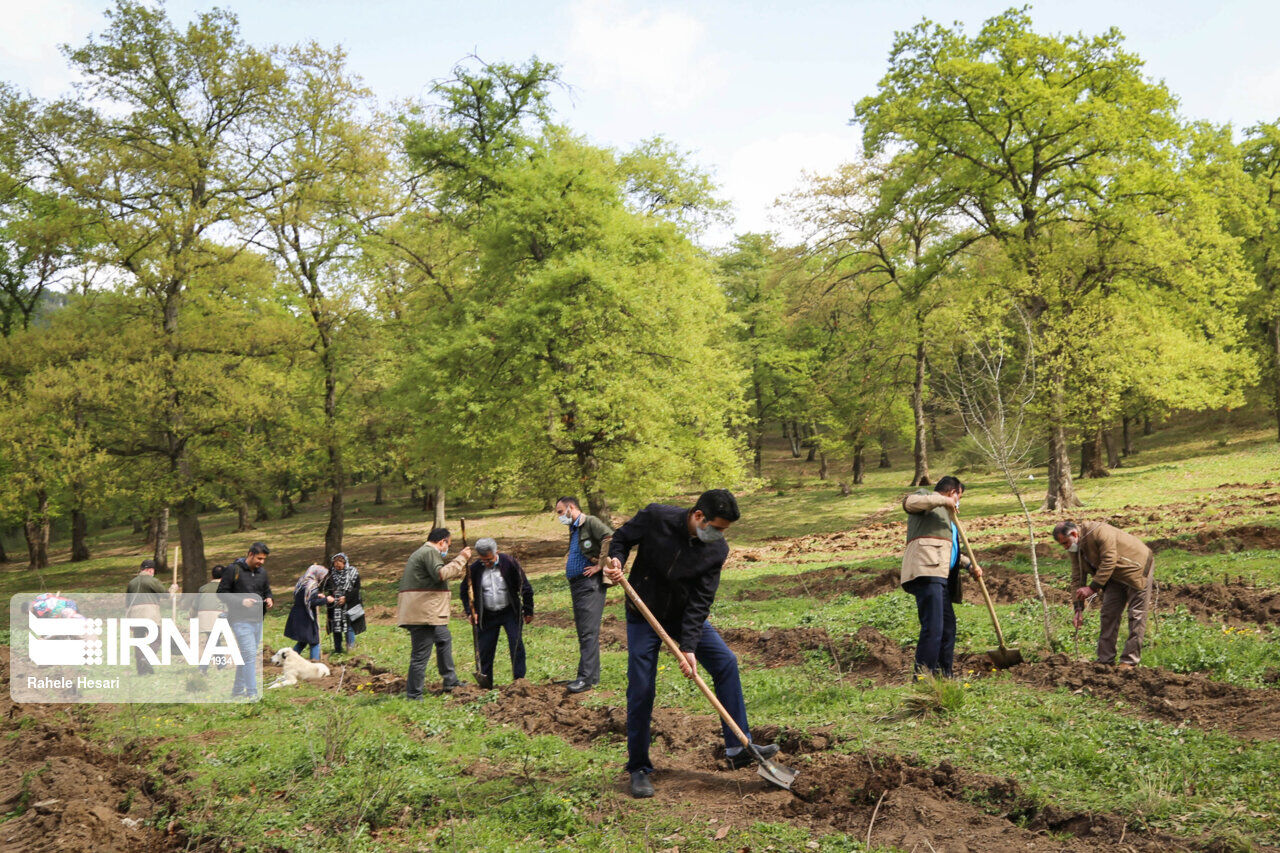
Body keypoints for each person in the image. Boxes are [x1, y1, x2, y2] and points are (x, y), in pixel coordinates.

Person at [603, 489, 778, 800]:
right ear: (699, 516)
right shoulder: (656, 517)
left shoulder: (716, 550)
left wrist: (689, 646)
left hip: (683, 616)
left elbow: (701, 601)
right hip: (643, 613)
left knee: (725, 662)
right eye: (718, 527)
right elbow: (622, 538)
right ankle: (639, 768)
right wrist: (616, 560)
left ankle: (738, 747)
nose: (721, 535)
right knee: (641, 686)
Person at [899, 476, 983, 680]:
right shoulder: (925, 498)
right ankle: (923, 678)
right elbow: (908, 502)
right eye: (958, 497)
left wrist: (969, 564)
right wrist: (945, 501)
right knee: (934, 627)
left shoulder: (949, 518)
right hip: (926, 570)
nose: (958, 502)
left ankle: (944, 675)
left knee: (947, 626)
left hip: (941, 576)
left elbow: (950, 550)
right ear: (953, 492)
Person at [1053, 520, 1155, 667]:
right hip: (1113, 574)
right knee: (1108, 613)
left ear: (1074, 534)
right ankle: (1105, 660)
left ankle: (1129, 661)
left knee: (1136, 615)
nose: (1065, 547)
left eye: (1065, 543)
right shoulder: (1075, 548)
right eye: (1062, 545)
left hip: (1136, 567)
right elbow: (1077, 577)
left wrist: (1092, 588)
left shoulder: (1099, 532)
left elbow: (1109, 560)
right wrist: (1078, 608)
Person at [398, 527, 472, 698]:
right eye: (448, 545)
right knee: (420, 655)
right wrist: (462, 559)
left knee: (443, 638)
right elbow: (441, 574)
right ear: (441, 542)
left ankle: (450, 681)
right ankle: (414, 695)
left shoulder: (422, 553)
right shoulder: (430, 552)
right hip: (423, 615)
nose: (448, 549)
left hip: (425, 612)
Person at [554, 496, 614, 693]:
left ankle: (585, 679)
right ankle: (592, 676)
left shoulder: (591, 522)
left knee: (588, 632)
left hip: (590, 584)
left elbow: (610, 538)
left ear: (571, 508)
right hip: (578, 585)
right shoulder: (575, 528)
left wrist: (600, 565)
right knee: (585, 632)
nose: (560, 517)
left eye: (561, 512)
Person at [461, 537, 534, 686]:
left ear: (497, 552)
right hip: (486, 615)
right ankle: (486, 683)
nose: (487, 563)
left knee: (516, 644)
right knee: (485, 649)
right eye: (483, 561)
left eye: (489, 560)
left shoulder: (509, 563)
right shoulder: (475, 569)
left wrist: (528, 610)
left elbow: (525, 587)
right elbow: (464, 591)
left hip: (509, 612)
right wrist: (470, 611)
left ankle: (519, 681)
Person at [218, 542, 275, 699]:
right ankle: (252, 694)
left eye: (264, 559)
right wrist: (241, 601)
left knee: (246, 656)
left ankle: (237, 691)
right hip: (239, 620)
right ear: (250, 554)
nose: (261, 562)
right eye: (259, 558)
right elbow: (221, 593)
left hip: (257, 620)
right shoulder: (233, 570)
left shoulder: (262, 573)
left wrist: (269, 598)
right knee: (250, 655)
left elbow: (267, 590)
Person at [125, 558, 167, 676]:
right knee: (157, 639)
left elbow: (127, 602)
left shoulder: (132, 582)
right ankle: (147, 659)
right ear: (150, 570)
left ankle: (141, 671)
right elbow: (165, 594)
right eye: (153, 570)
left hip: (134, 615)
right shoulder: (152, 581)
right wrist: (173, 589)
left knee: (139, 642)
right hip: (150, 614)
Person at [284, 564, 331, 661]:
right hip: (306, 616)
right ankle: (315, 662)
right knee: (314, 641)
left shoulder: (302, 582)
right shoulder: (312, 585)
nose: (323, 578)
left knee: (303, 640)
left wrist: (317, 595)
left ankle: (289, 658)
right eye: (323, 576)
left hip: (297, 614)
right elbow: (311, 602)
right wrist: (326, 599)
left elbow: (305, 597)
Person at [324, 553, 366, 654]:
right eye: (335, 564)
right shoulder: (330, 574)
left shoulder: (353, 572)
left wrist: (346, 598)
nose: (337, 566)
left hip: (349, 604)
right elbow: (327, 589)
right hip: (335, 605)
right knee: (336, 627)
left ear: (345, 563)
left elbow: (356, 589)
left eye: (340, 564)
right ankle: (337, 649)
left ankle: (350, 648)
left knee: (349, 626)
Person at [190, 564, 227, 674]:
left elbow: (195, 605)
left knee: (213, 640)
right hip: (217, 616)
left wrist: (191, 615)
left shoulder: (203, 588)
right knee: (213, 641)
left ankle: (221, 664)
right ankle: (203, 667)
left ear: (212, 576)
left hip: (204, 617)